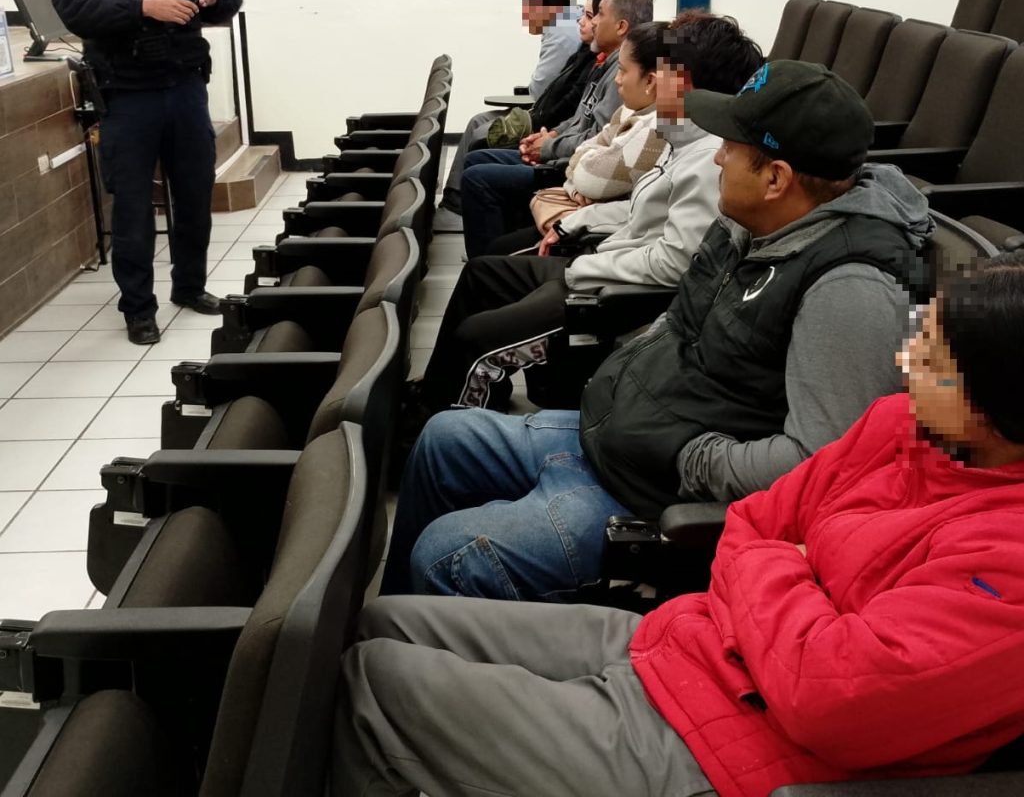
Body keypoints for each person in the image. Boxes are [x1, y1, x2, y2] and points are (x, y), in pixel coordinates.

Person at [336, 253, 1024, 797]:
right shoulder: (900, 425)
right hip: (696, 645)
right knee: (383, 622)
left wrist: (781, 560)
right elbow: (755, 519)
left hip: (735, 754)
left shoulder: (1007, 559)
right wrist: (794, 573)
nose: (904, 364)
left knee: (371, 685)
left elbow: (828, 698)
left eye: (932, 362)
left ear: (997, 407)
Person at [381, 60, 934, 598]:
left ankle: (418, 643)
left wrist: (686, 458)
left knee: (445, 555)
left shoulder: (849, 288)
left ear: (775, 178)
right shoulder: (750, 225)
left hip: (657, 495)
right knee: (442, 440)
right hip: (624, 438)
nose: (716, 157)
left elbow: (818, 464)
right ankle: (384, 638)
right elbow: (680, 322)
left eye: (731, 148)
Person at [410, 14, 762, 418]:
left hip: (622, 293)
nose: (651, 80)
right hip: (611, 264)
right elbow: (639, 210)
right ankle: (436, 392)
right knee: (482, 276)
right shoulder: (681, 132)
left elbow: (676, 262)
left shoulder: (708, 158)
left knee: (477, 338)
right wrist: (577, 223)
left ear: (681, 81)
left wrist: (586, 266)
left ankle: (443, 424)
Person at [51, 0, 242, 346]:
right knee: (133, 208)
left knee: (194, 194)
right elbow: (73, 6)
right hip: (128, 96)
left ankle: (190, 286)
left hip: (184, 88)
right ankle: (138, 309)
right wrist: (144, 8)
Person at [460, 0, 653, 256]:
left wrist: (548, 147)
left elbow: (596, 141)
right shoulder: (604, 63)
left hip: (567, 167)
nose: (590, 22)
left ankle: (489, 261)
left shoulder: (620, 76)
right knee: (476, 159)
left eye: (597, 14)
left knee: (477, 177)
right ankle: (493, 254)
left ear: (621, 26)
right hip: (566, 158)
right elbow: (579, 118)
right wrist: (550, 136)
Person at [432, 0, 587, 232]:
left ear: (545, 5)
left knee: (481, 128)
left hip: (552, 123)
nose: (524, 16)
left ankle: (456, 206)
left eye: (528, 7)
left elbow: (539, 88)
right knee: (479, 122)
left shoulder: (560, 30)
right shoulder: (566, 24)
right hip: (553, 115)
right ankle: (455, 203)